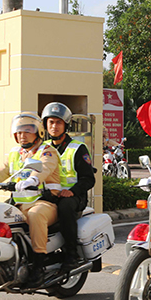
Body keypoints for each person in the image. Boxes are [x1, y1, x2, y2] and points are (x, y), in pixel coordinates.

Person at [0, 112, 61, 284]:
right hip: (19, 204)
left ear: (38, 132)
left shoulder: (47, 151)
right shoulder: (16, 154)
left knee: (35, 215)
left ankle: (39, 264)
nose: (22, 135)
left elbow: (44, 168)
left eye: (27, 131)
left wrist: (33, 179)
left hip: (45, 203)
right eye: (18, 132)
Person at [41, 102, 96, 270]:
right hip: (50, 194)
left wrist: (72, 192)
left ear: (66, 125)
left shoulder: (77, 148)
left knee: (65, 208)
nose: (54, 126)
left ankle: (72, 254)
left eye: (58, 122)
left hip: (73, 197)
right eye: (51, 122)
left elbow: (89, 179)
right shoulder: (43, 149)